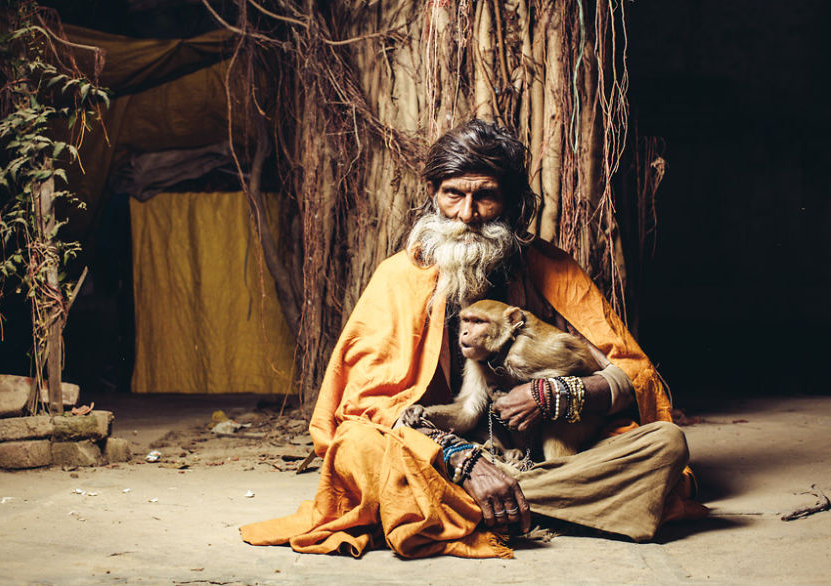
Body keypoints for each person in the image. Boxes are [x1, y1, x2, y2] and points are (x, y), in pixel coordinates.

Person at [240, 119, 706, 559]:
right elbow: (367, 408)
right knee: (360, 446)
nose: (467, 215)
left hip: (545, 456)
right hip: (436, 454)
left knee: (664, 444)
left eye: (485, 197)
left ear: (512, 199)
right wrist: (465, 460)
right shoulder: (398, 278)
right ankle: (513, 502)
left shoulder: (549, 267)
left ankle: (468, 507)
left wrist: (557, 393)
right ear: (432, 193)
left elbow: (633, 374)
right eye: (453, 195)